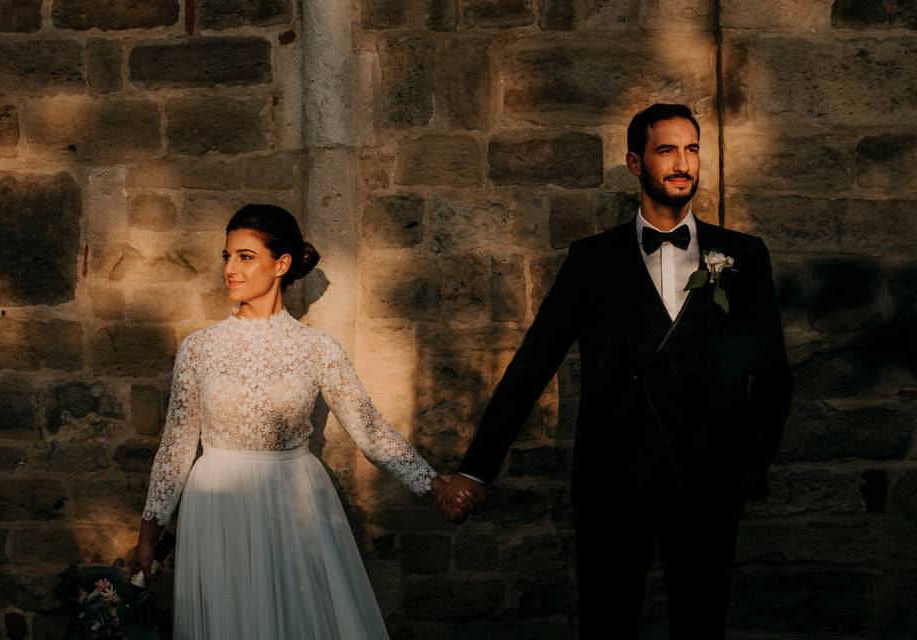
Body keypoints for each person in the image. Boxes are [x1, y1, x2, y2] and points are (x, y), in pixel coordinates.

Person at [438, 103, 793, 639]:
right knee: (607, 623)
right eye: (667, 149)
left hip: (706, 482)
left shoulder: (743, 255)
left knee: (702, 624)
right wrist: (476, 468)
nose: (683, 163)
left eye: (692, 149)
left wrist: (748, 467)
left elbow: (772, 374)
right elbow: (534, 364)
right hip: (613, 479)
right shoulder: (593, 260)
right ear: (635, 162)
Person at [131, 204, 448, 639]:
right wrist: (150, 532)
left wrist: (437, 486)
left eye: (245, 257)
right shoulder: (199, 348)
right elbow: (176, 446)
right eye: (227, 257)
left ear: (281, 264)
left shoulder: (318, 348)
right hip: (217, 505)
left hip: (295, 501)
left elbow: (369, 430)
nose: (230, 269)